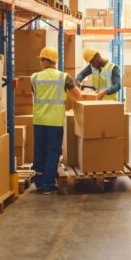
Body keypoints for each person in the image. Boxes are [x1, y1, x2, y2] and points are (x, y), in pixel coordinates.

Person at [32, 47, 82, 194]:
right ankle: (48, 185)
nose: (40, 62)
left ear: (44, 60)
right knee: (53, 151)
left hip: (39, 119)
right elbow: (78, 95)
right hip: (54, 120)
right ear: (55, 61)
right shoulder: (64, 77)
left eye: (41, 59)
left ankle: (39, 183)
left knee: (39, 149)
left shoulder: (34, 77)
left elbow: (35, 93)